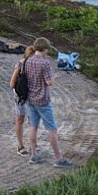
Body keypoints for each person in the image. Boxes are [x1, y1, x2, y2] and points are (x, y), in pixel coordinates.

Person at [23, 37, 73, 166]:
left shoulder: (28, 60)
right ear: (45, 49)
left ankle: (33, 154)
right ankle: (58, 158)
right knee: (52, 129)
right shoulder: (44, 63)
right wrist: (54, 77)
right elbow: (49, 82)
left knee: (33, 127)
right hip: (43, 100)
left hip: (30, 99)